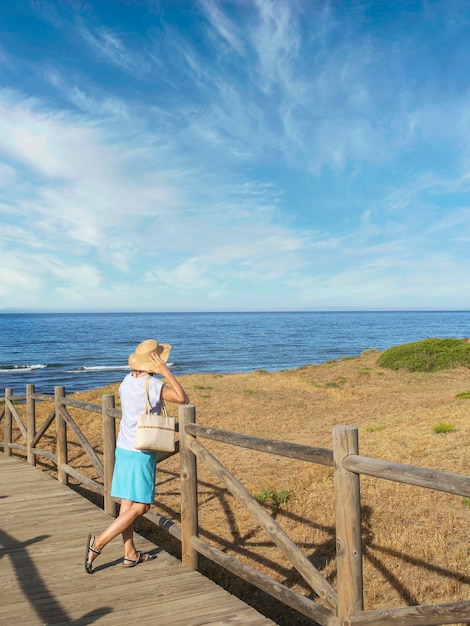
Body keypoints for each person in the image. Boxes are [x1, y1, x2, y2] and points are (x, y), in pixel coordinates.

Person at [85, 338, 189, 573]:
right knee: (142, 507)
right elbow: (183, 399)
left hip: (123, 447)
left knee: (127, 505)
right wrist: (166, 373)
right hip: (141, 450)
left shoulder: (126, 381)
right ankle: (98, 542)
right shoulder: (153, 385)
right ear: (156, 362)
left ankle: (130, 553)